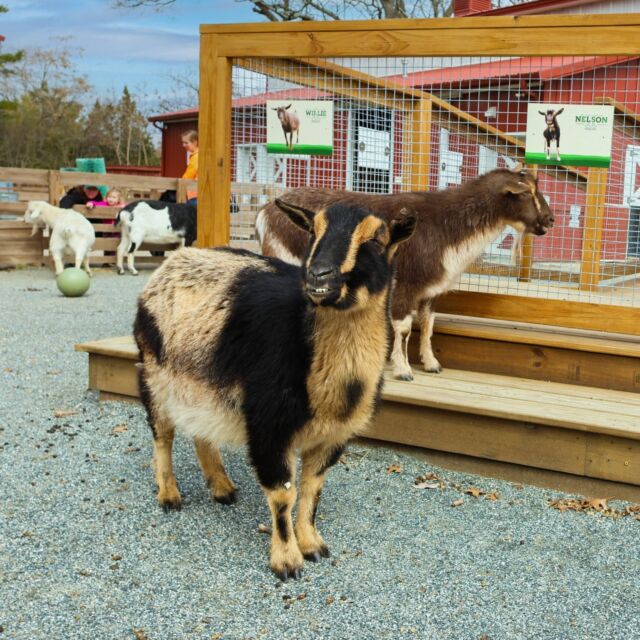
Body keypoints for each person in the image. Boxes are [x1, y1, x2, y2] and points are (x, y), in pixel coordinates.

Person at [181, 129, 198, 205]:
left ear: (194, 142)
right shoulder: (200, 155)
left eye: (186, 143)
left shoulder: (196, 157)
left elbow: (188, 176)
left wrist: (179, 183)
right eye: (183, 143)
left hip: (195, 195)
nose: (183, 145)